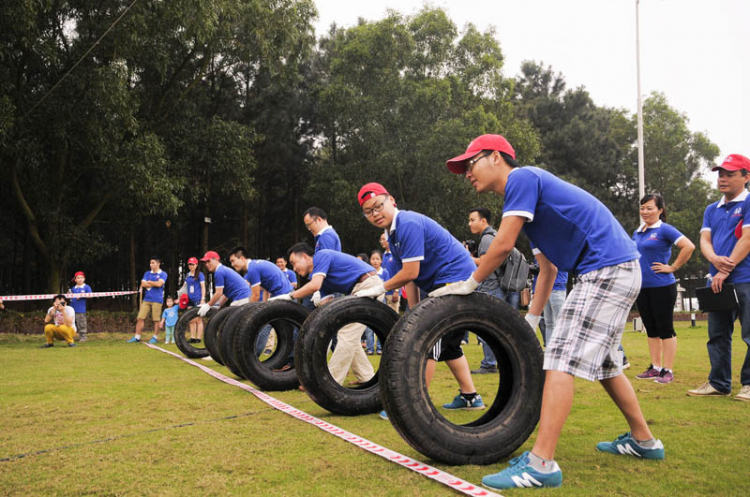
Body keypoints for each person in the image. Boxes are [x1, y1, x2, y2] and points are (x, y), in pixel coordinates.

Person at [438, 134, 663, 489]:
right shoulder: (529, 208)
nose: (467, 172)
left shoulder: (522, 178)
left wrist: (471, 281)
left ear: (496, 157)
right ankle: (645, 441)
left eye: (471, 162)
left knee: (558, 358)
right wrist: (531, 318)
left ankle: (541, 464)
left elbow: (502, 245)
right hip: (611, 268)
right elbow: (548, 270)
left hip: (606, 268)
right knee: (606, 365)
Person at [354, 183, 485, 412]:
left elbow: (410, 272)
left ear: (391, 200)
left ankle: (411, 406)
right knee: (450, 345)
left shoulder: (407, 223)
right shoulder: (392, 233)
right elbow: (411, 277)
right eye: (368, 211)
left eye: (378, 206)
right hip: (441, 282)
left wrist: (379, 288)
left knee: (428, 341)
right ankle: (470, 397)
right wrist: (414, 311)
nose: (375, 214)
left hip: (454, 279)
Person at [688, 154, 750, 402]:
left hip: (745, 278)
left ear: (746, 177)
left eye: (730, 174)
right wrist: (714, 260)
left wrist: (725, 269)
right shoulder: (711, 209)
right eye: (720, 174)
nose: (722, 178)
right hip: (716, 281)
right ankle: (719, 382)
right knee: (717, 334)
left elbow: (747, 239)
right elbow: (704, 240)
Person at [271, 243, 378, 386]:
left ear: (304, 256)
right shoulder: (322, 278)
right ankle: (367, 377)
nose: (294, 268)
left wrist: (290, 296)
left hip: (369, 284)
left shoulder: (321, 256)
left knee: (346, 334)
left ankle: (328, 384)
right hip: (358, 290)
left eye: (293, 262)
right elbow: (327, 305)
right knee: (349, 334)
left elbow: (315, 285)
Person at [632, 194, 695, 384]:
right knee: (651, 329)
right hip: (642, 287)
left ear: (660, 210)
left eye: (649, 208)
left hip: (662, 286)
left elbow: (688, 246)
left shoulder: (665, 229)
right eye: (642, 208)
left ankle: (667, 370)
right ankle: (655, 367)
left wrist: (673, 267)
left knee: (665, 329)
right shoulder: (638, 231)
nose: (645, 212)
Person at [467, 207, 519, 374]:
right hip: (501, 286)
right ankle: (497, 362)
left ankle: (489, 364)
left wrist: (467, 257)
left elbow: (485, 262)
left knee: (487, 327)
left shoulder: (487, 239)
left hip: (492, 286)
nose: (469, 224)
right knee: (500, 327)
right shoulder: (495, 236)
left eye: (472, 220)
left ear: (484, 221)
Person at [229, 247, 294, 358]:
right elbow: (265, 289)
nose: (232, 264)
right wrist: (264, 305)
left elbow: (255, 295)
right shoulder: (254, 266)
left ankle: (251, 358)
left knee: (266, 326)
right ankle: (285, 359)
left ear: (242, 258)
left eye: (233, 261)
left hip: (283, 295)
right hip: (279, 294)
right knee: (282, 328)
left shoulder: (252, 269)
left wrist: (246, 312)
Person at [197, 251, 250, 317]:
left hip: (241, 298)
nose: (206, 264)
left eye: (208, 261)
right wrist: (217, 305)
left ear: (216, 260)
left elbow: (219, 293)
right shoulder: (222, 269)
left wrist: (208, 305)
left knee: (231, 323)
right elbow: (226, 295)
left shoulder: (219, 272)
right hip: (245, 297)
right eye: (205, 262)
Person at [128, 257, 167, 344]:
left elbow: (159, 284)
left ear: (158, 263)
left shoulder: (163, 274)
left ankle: (155, 337)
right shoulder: (147, 273)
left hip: (157, 300)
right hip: (146, 299)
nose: (151, 264)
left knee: (156, 319)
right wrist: (153, 283)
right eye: (150, 263)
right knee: (140, 318)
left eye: (153, 263)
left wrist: (149, 283)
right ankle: (137, 337)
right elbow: (143, 284)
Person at [363, 250, 391, 355]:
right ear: (370, 260)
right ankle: (370, 349)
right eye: (373, 259)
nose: (375, 261)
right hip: (369, 299)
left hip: (381, 299)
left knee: (381, 323)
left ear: (381, 261)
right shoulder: (367, 272)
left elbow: (387, 285)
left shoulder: (385, 272)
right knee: (368, 325)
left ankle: (380, 348)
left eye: (377, 259)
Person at [184, 257, 206, 343]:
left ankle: (199, 338)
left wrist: (203, 299)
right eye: (189, 264)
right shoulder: (187, 275)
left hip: (198, 299)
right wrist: (180, 297)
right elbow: (184, 287)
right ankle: (192, 337)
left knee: (198, 319)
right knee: (191, 319)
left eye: (192, 264)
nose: (191, 266)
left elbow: (203, 287)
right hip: (189, 299)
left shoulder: (200, 274)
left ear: (196, 265)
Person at [379, 232, 401, 314]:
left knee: (393, 315)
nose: (382, 241)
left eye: (384, 239)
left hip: (393, 292)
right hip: (383, 291)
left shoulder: (396, 255)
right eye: (380, 240)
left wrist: (396, 291)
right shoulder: (382, 256)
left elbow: (399, 272)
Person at [69, 271, 92, 342]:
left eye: (82, 278)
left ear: (84, 279)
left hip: (81, 309)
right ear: (75, 280)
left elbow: (90, 296)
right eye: (78, 278)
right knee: (70, 324)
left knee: (81, 324)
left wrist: (82, 295)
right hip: (71, 309)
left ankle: (83, 337)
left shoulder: (86, 287)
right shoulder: (73, 288)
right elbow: (69, 296)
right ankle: (69, 337)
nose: (80, 279)